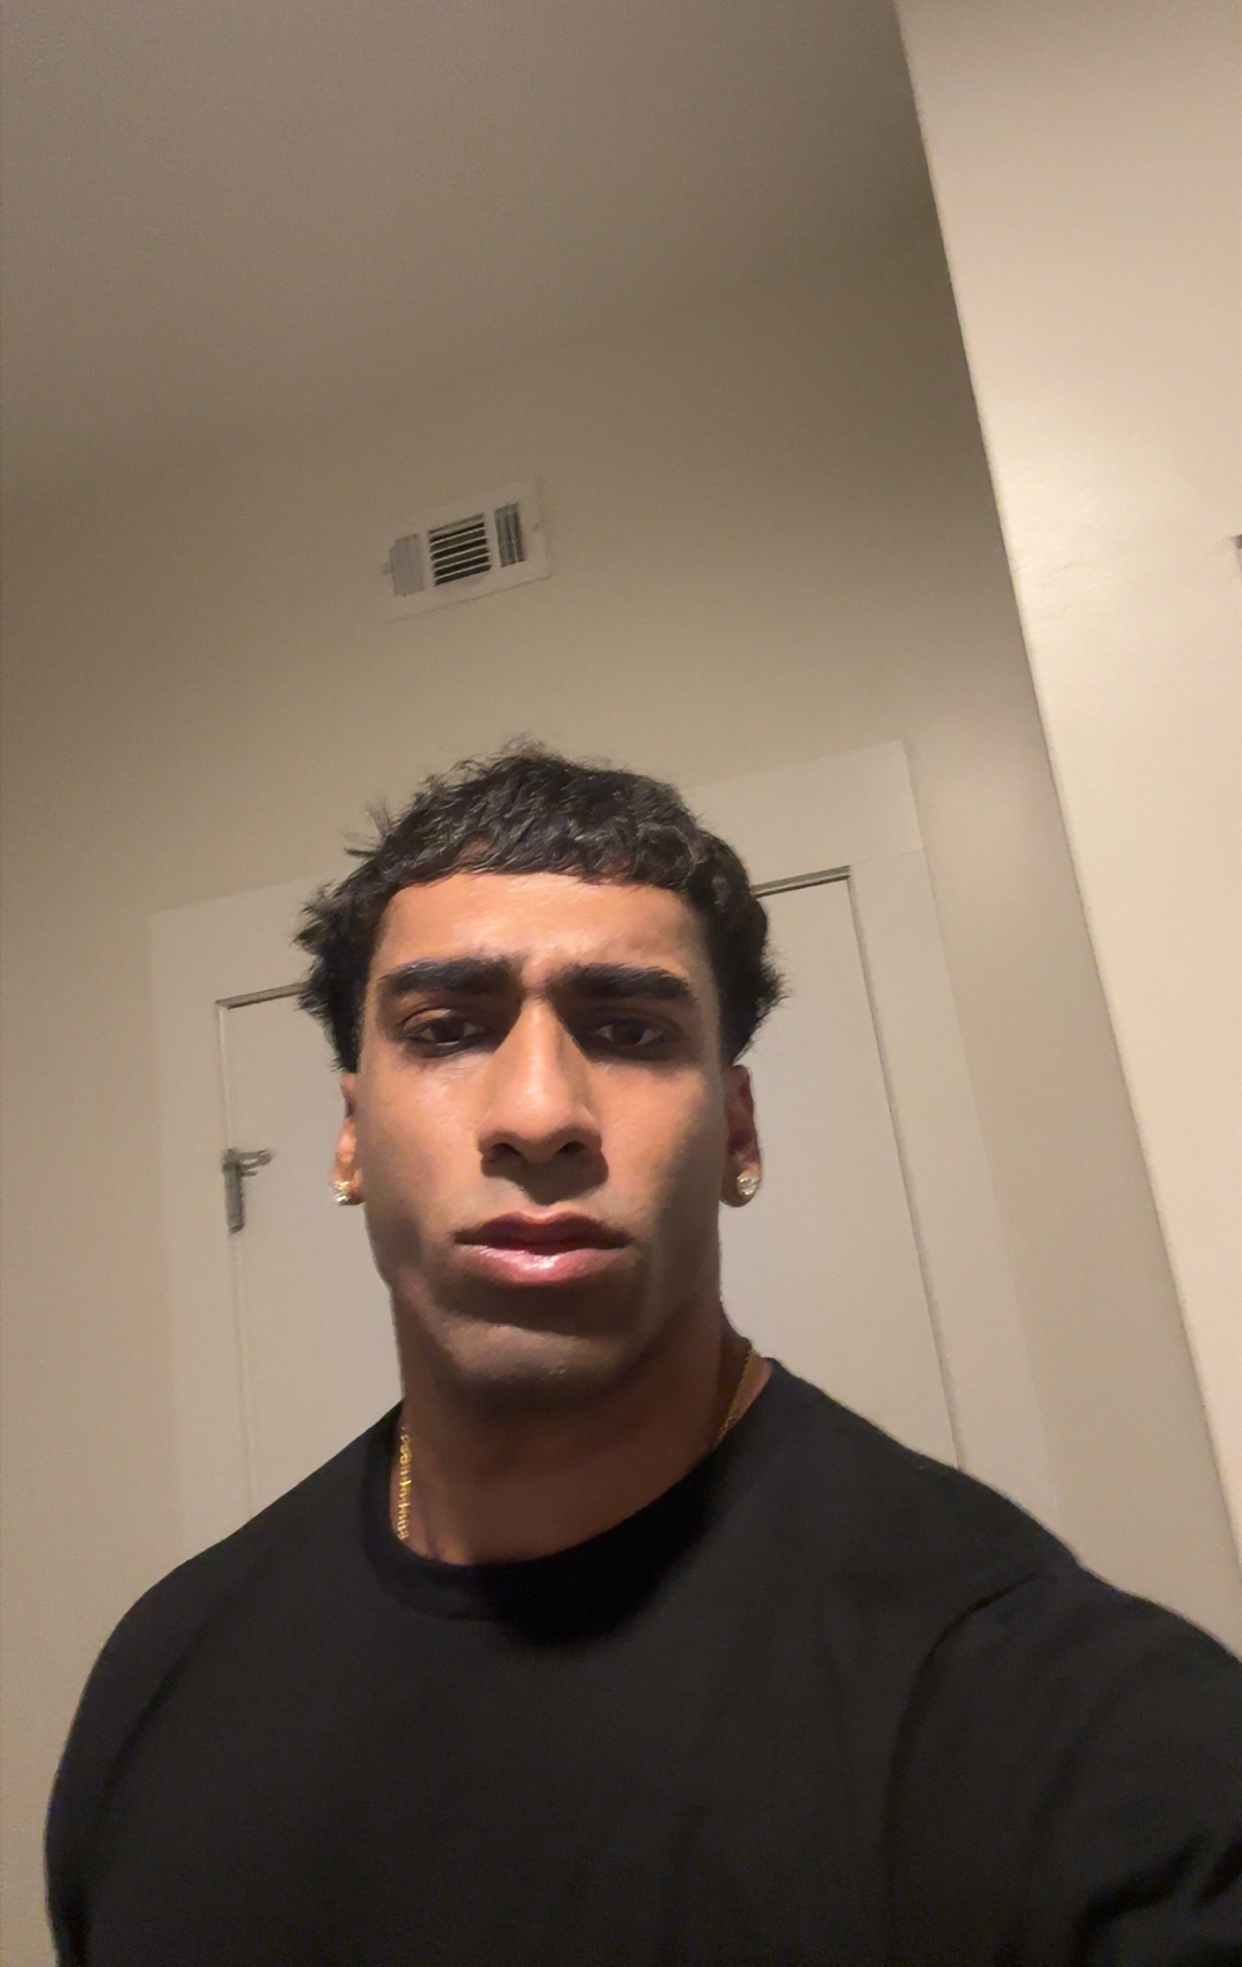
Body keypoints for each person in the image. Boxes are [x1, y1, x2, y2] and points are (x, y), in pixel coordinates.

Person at [48, 746, 1241, 1965]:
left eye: (627, 1030)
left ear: (737, 1134)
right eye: (447, 1030)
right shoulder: (168, 1672)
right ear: (351, 1138)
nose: (538, 1115)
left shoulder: (1060, 1721)